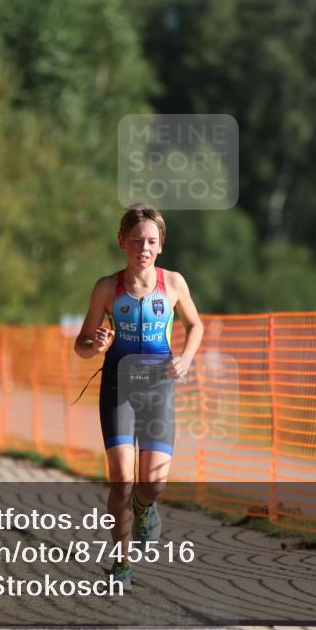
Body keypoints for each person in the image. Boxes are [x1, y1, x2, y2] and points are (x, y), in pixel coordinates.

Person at [73, 203, 203, 589]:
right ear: (122, 243)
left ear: (161, 245)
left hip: (159, 386)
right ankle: (122, 563)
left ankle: (146, 509)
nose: (143, 248)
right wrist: (94, 345)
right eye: (136, 241)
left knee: (153, 484)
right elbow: (80, 345)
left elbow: (196, 326)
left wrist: (186, 359)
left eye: (150, 241)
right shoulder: (106, 288)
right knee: (121, 481)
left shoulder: (174, 283)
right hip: (119, 386)